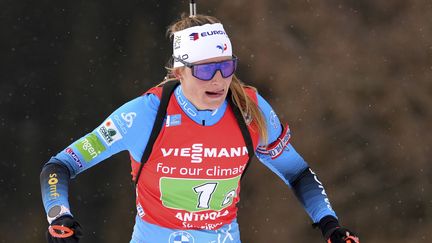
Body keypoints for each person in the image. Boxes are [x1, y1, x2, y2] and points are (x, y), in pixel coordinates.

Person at [40, 12, 360, 243]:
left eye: (226, 67)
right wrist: (59, 216)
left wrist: (329, 225)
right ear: (180, 71)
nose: (219, 80)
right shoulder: (143, 115)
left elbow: (297, 173)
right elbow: (60, 166)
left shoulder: (251, 111)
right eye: (206, 70)